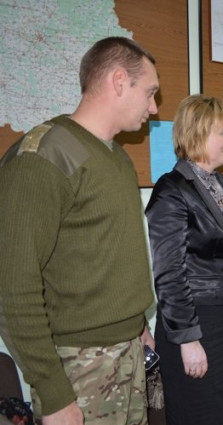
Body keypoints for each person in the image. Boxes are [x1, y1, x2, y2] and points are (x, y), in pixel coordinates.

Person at [0, 37, 160, 425]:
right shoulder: (43, 157)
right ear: (119, 81)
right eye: (150, 92)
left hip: (128, 350)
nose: (154, 107)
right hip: (79, 364)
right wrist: (53, 393)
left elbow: (109, 254)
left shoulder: (116, 157)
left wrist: (137, 326)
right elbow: (13, 286)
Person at [145, 94, 223, 425]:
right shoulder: (171, 190)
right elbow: (169, 274)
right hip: (194, 322)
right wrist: (188, 339)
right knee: (197, 414)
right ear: (196, 134)